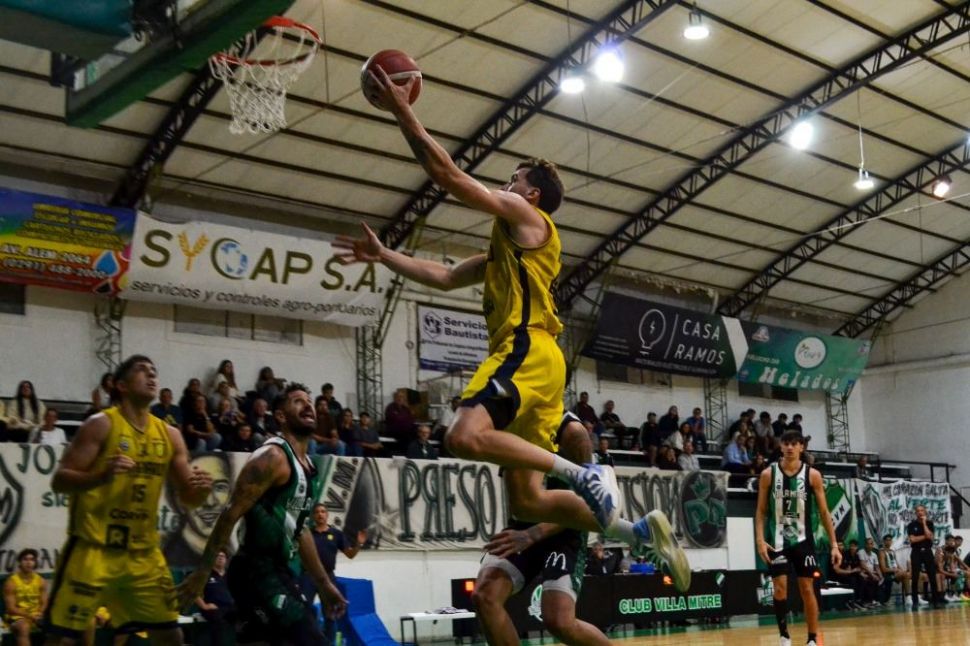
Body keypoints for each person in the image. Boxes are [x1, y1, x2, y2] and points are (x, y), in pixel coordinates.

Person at [334, 69, 654, 565]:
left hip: (525, 348)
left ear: (532, 195)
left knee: (462, 437)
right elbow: (444, 276)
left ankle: (585, 474)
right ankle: (637, 533)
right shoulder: (508, 253)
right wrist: (384, 255)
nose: (507, 186)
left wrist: (403, 110)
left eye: (514, 181)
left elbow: (449, 177)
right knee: (527, 502)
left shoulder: (529, 217)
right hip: (544, 365)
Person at [43, 354, 213, 645]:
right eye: (142, 370)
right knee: (62, 640)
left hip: (142, 554)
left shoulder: (170, 435)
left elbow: (189, 498)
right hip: (93, 549)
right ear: (121, 385)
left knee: (171, 636)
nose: (151, 375)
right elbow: (60, 481)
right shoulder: (101, 424)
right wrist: (100, 476)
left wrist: (201, 490)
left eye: (154, 370)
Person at [176, 383, 347, 644]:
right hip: (255, 571)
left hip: (279, 571)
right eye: (298, 401)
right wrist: (202, 573)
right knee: (311, 639)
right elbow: (229, 514)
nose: (308, 405)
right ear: (280, 416)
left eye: (309, 400)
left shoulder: (309, 468)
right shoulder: (272, 457)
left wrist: (324, 585)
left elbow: (299, 530)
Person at [473, 413, 620, 646]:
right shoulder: (515, 425)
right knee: (485, 596)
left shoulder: (572, 433)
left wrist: (533, 534)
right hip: (526, 525)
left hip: (565, 529)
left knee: (559, 621)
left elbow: (588, 508)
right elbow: (518, 501)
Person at [755, 431, 840, 646]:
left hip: (804, 541)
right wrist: (759, 540)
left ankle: (812, 639)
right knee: (780, 588)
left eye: (794, 444)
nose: (790, 447)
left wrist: (834, 545)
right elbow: (761, 511)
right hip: (777, 541)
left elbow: (824, 512)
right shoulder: (768, 474)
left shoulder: (813, 475)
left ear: (802, 447)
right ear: (781, 446)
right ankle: (784, 635)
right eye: (786, 443)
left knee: (807, 589)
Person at [298, 504, 366, 645]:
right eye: (317, 512)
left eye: (323, 512)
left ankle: (330, 643)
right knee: (304, 613)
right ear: (313, 516)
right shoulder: (307, 534)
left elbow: (350, 555)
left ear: (327, 515)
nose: (320, 514)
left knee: (330, 614)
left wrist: (358, 544)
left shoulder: (336, 534)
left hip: (328, 578)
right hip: (308, 577)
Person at [4, 548, 46, 646]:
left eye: (32, 560)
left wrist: (40, 613)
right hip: (17, 616)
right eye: (25, 559)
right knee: (24, 627)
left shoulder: (41, 581)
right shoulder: (11, 582)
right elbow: (11, 609)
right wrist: (30, 616)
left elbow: (44, 602)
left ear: (35, 563)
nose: (28, 562)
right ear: (20, 562)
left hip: (37, 615)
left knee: (56, 628)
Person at [194, 550, 235, 646]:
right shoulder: (205, 574)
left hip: (229, 607)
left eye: (223, 556)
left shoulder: (230, 575)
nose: (220, 558)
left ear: (226, 560)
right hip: (213, 608)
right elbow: (193, 592)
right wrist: (204, 606)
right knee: (217, 620)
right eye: (217, 556)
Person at [907, 504, 942, 608]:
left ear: (925, 512)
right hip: (916, 551)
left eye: (922, 510)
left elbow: (930, 537)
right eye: (918, 511)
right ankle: (915, 601)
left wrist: (924, 523)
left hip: (927, 551)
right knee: (915, 576)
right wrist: (925, 536)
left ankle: (936, 601)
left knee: (932, 576)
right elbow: (912, 539)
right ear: (915, 513)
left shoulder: (930, 523)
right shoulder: (911, 525)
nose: (920, 512)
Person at [878, 533, 911, 606]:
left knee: (907, 574)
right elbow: (884, 569)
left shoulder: (892, 551)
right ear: (884, 541)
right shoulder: (881, 552)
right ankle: (908, 598)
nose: (889, 542)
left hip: (895, 573)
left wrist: (901, 570)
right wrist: (895, 570)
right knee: (905, 575)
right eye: (887, 540)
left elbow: (897, 564)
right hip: (887, 575)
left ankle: (910, 597)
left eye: (890, 540)